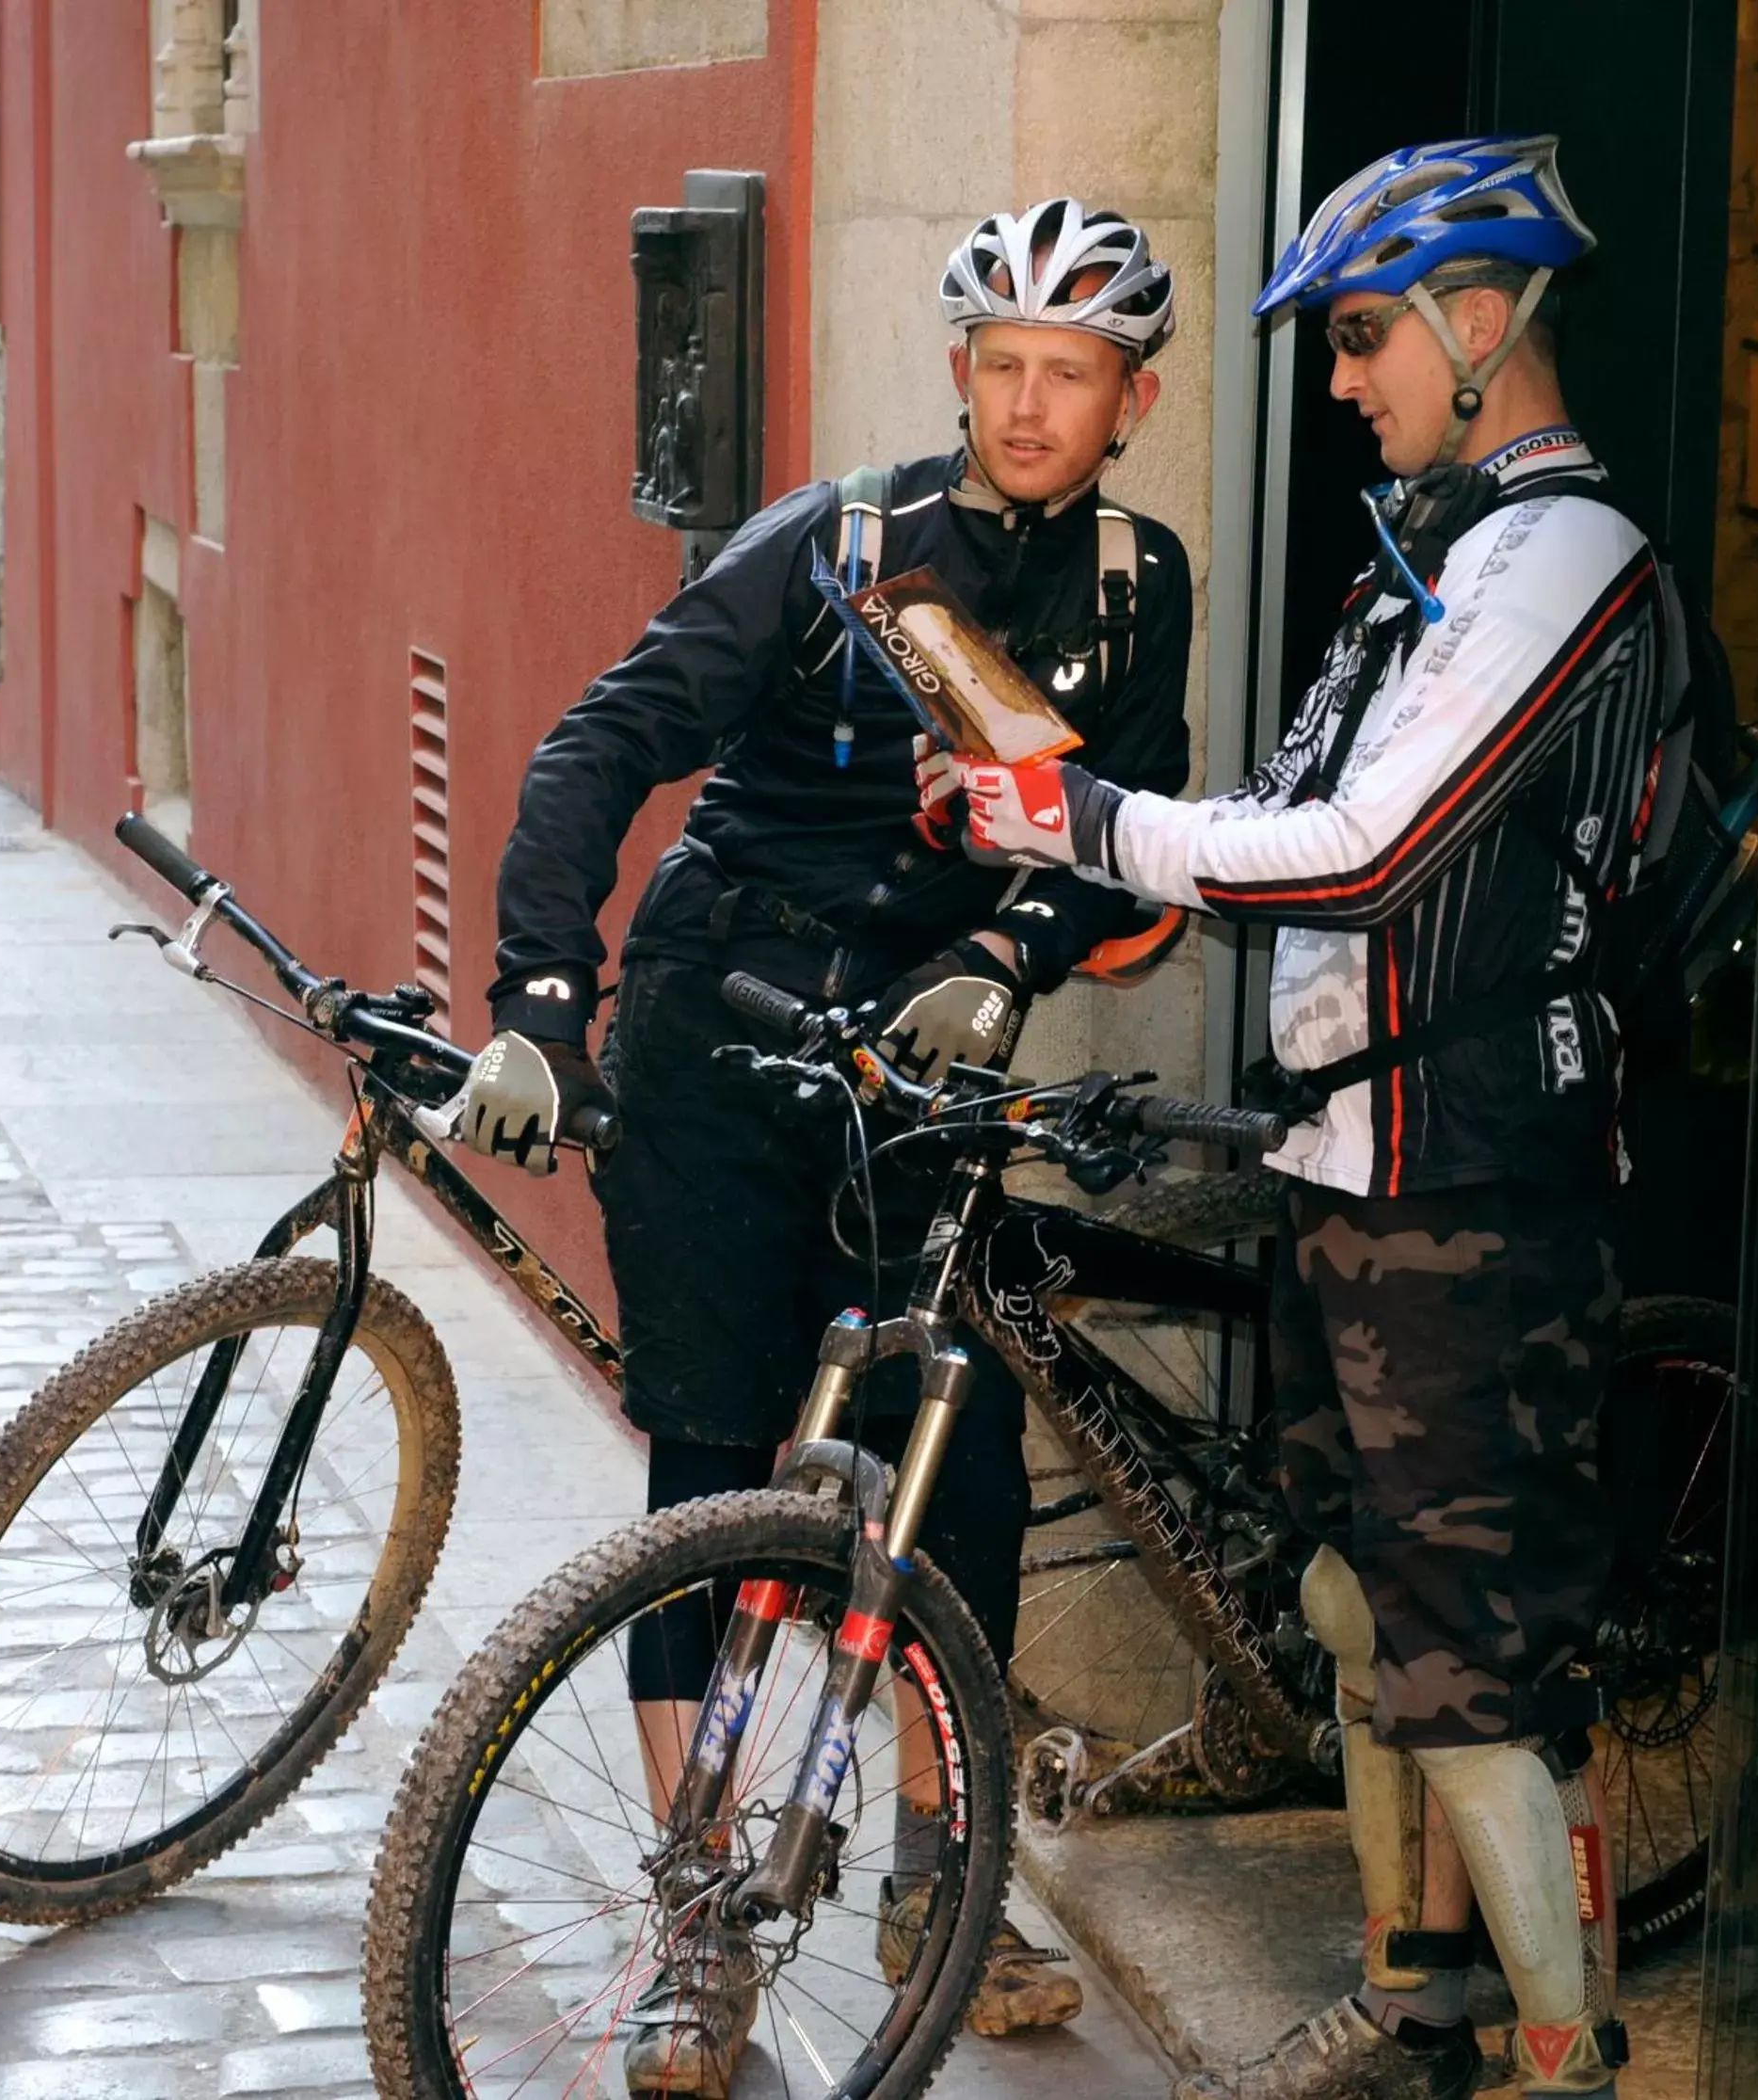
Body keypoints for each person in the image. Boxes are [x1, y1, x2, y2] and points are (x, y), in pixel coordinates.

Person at [452, 198, 1194, 2096]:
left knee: (953, 1470)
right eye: (1004, 365)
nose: (1031, 405)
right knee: (712, 1473)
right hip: (725, 1022)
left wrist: (1006, 953)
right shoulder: (831, 544)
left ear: (1131, 399)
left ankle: (939, 1880)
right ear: (960, 372)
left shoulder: (1134, 578)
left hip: (922, 1064)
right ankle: (702, 1924)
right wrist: (543, 997)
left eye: (1074, 374)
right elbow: (591, 749)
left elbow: (1129, 828)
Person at [944, 138, 1658, 2100]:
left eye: (1359, 338)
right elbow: (1268, 813)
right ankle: (1411, 1994)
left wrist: (1088, 821)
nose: (1337, 380)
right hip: (1349, 1156)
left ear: (1479, 319)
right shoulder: (1429, 545)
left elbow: (1366, 844)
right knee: (1357, 1594)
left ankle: (1560, 2050)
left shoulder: (1561, 552)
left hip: (1477, 1169)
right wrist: (1074, 865)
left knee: (1460, 1652)